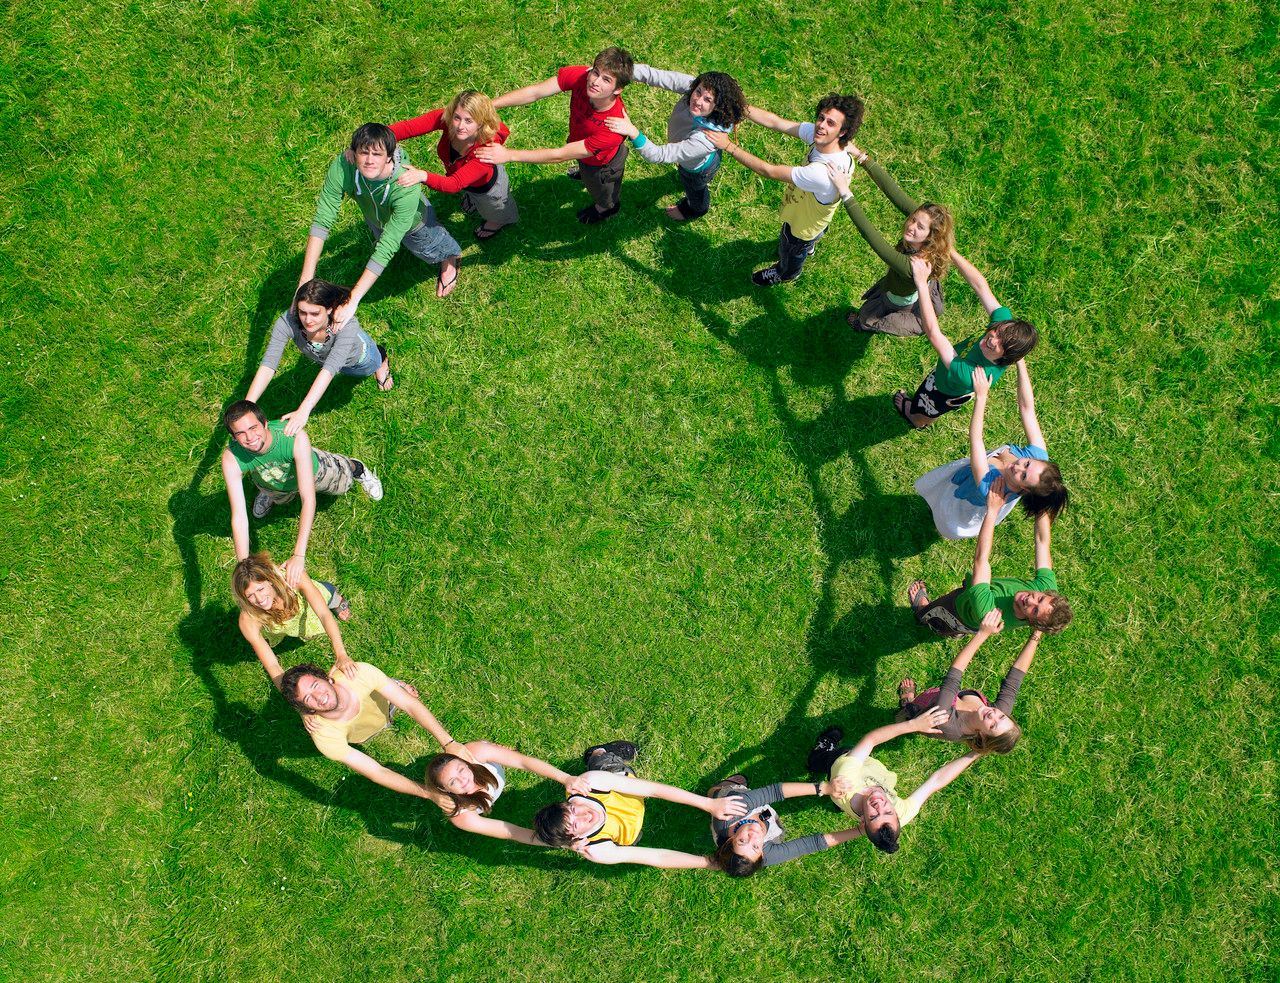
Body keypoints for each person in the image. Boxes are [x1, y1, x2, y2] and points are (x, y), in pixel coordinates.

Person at [219, 400, 382, 588]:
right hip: (272, 482)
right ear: (233, 437)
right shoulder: (232, 458)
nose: (249, 437)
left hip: (313, 473)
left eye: (253, 428)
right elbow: (239, 517)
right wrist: (244, 568)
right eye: (240, 433)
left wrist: (298, 555)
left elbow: (308, 499)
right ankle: (267, 493)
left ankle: (356, 468)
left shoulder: (294, 438)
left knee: (344, 482)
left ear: (265, 423)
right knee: (278, 496)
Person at [706, 93, 865, 286]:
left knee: (791, 249)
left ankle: (787, 273)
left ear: (842, 132)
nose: (821, 125)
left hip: (801, 227)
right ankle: (809, 247)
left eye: (831, 123)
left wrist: (729, 146)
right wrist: (738, 106)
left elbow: (769, 170)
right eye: (821, 118)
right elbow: (775, 122)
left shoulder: (820, 173)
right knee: (814, 235)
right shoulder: (835, 144)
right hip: (817, 216)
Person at [303, 123, 461, 312]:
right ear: (353, 153)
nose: (369, 160)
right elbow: (323, 218)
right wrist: (305, 280)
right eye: (364, 152)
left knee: (430, 247)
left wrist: (353, 299)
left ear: (389, 157)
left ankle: (450, 259)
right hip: (377, 220)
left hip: (416, 225)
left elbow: (388, 244)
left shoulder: (405, 186)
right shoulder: (344, 166)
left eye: (377, 154)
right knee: (384, 240)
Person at [914, 355, 1068, 539]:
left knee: (945, 515)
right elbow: (1027, 408)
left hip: (964, 500)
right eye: (1027, 464)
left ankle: (940, 525)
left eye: (1023, 476)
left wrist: (981, 396)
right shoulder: (1038, 455)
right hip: (970, 474)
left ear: (1025, 489)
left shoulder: (991, 488)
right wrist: (1020, 361)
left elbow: (976, 440)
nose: (1018, 467)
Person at [532, 741, 748, 868]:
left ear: (566, 803)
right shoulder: (597, 850)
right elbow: (657, 856)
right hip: (630, 829)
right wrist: (709, 862)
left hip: (625, 787)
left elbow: (654, 790)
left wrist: (708, 804)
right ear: (576, 838)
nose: (584, 815)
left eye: (573, 809)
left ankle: (598, 753)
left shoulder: (589, 785)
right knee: (633, 840)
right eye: (575, 825)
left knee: (606, 765)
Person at [480, 48, 634, 224]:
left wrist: (509, 155)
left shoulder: (612, 128)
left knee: (601, 190)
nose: (595, 82)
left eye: (606, 80)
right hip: (580, 145)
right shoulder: (582, 77)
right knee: (583, 166)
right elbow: (535, 92)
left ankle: (606, 209)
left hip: (601, 165)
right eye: (596, 72)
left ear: (618, 89)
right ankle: (584, 173)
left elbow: (559, 155)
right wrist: (490, 105)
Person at [279, 660, 472, 799]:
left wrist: (449, 742)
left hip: (387, 704)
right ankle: (393, 688)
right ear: (308, 710)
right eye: (308, 698)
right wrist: (429, 793)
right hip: (364, 733)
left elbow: (410, 706)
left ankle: (395, 685)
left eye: (315, 685)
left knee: (400, 695)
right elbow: (377, 772)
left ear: (328, 679)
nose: (319, 696)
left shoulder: (358, 674)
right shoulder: (324, 737)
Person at [910, 481, 1073, 638]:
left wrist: (993, 510)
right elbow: (1042, 542)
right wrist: (1043, 501)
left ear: (1032, 622)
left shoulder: (989, 613)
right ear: (1047, 594)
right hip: (976, 595)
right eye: (1040, 598)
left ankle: (925, 613)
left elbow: (981, 560)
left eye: (1035, 610)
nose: (1031, 600)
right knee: (973, 593)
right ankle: (957, 627)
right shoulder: (1047, 588)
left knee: (936, 616)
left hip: (959, 611)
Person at [893, 253, 1038, 428]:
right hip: (950, 373)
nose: (993, 339)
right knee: (928, 405)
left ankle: (917, 420)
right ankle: (923, 415)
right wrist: (950, 251)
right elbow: (980, 286)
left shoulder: (970, 375)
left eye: (1002, 345)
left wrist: (922, 284)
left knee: (927, 408)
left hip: (946, 389)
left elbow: (933, 333)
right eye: (998, 332)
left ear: (1007, 357)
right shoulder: (1004, 327)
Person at [806, 710, 980, 853]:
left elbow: (870, 741)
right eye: (888, 811)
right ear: (896, 815)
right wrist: (976, 753)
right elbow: (936, 781)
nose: (879, 805)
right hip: (867, 767)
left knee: (824, 760)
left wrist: (913, 725)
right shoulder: (901, 815)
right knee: (839, 798)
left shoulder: (845, 782)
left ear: (862, 822)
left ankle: (817, 756)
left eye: (873, 816)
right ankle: (836, 800)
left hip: (839, 761)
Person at [244, 279, 393, 439]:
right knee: (339, 368)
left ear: (329, 308)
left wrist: (304, 410)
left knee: (371, 366)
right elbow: (269, 363)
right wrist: (247, 407)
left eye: (315, 313)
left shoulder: (347, 325)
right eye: (302, 312)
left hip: (362, 359)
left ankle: (382, 361)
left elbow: (329, 369)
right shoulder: (289, 320)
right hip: (333, 363)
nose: (308, 320)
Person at [824, 156, 955, 336]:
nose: (911, 226)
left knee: (869, 316)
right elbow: (894, 193)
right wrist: (863, 157)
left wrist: (845, 192)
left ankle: (861, 325)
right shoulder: (930, 239)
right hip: (914, 287)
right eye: (913, 219)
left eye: (920, 227)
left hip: (896, 298)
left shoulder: (911, 265)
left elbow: (870, 235)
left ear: (929, 237)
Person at [603, 66, 747, 221]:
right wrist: (613, 71)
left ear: (717, 106)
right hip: (695, 155)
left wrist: (632, 131)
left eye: (708, 100)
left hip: (696, 171)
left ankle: (694, 210)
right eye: (698, 92)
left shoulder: (705, 139)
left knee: (695, 189)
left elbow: (657, 155)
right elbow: (656, 76)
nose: (698, 100)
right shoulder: (697, 87)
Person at [896, 610, 1043, 754]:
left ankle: (906, 704)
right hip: (940, 697)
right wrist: (1036, 634)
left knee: (907, 717)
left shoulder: (947, 722)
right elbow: (1014, 681)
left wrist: (982, 633)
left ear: (983, 735)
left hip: (923, 710)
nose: (993, 715)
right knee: (940, 696)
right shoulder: (999, 712)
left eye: (992, 726)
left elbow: (952, 679)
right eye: (1001, 716)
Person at [392, 90, 519, 241]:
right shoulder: (447, 120)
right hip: (466, 183)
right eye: (457, 117)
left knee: (494, 209)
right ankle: (473, 200)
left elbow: (454, 184)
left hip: (487, 189)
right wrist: (376, 137)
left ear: (481, 123)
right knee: (470, 193)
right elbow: (408, 128)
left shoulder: (486, 152)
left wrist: (422, 175)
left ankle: (497, 222)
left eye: (468, 121)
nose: (460, 126)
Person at [424, 742, 592, 846]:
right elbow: (511, 832)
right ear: (445, 790)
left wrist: (565, 778)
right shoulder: (462, 816)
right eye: (453, 782)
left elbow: (523, 762)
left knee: (492, 750)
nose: (464, 780)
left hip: (487, 755)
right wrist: (563, 843)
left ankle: (496, 749)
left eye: (461, 770)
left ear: (466, 763)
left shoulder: (476, 754)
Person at [232, 551, 357, 689]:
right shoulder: (248, 620)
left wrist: (341, 655)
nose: (259, 599)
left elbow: (323, 614)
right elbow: (272, 665)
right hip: (292, 624)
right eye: (250, 595)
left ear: (270, 580)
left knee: (328, 594)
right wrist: (290, 695)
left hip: (312, 607)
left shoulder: (294, 579)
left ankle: (336, 600)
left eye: (260, 589)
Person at [705, 774, 865, 877]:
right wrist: (859, 830)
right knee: (773, 826)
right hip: (761, 815)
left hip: (734, 800)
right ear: (762, 855)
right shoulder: (767, 855)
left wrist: (824, 788)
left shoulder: (729, 812)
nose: (753, 836)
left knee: (718, 793)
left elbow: (775, 792)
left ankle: (717, 790)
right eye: (755, 846)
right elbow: (813, 843)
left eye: (742, 841)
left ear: (730, 840)